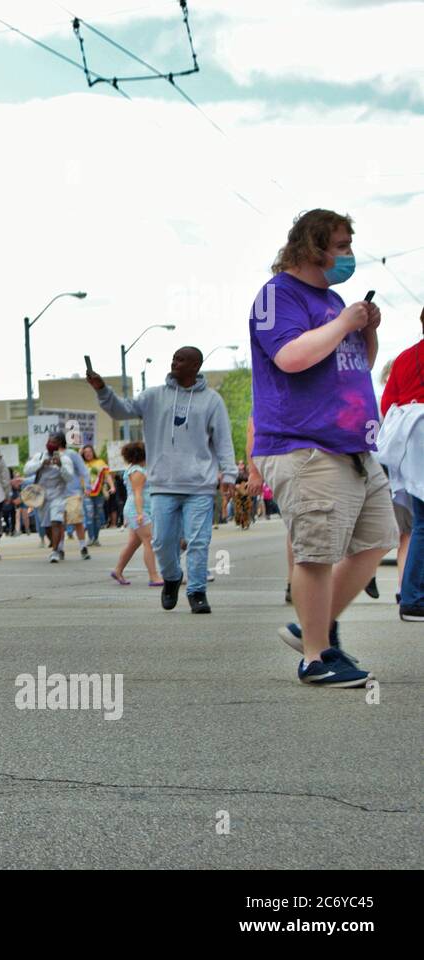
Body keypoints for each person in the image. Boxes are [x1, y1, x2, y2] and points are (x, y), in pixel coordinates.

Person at [248, 208, 393, 686]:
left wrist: (365, 329)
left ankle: (314, 627)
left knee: (377, 540)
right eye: (342, 245)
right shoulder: (278, 296)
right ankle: (315, 656)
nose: (349, 256)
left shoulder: (333, 300)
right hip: (304, 444)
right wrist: (343, 321)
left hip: (351, 445)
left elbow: (358, 365)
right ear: (313, 247)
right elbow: (291, 356)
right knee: (315, 555)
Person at [89, 346, 236, 614]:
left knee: (198, 541)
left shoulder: (212, 401)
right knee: (162, 541)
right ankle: (171, 577)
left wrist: (229, 473)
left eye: (181, 360)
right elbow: (122, 410)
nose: (174, 362)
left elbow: (223, 440)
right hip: (163, 484)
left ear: (195, 366)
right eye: (173, 358)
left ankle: (197, 592)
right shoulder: (154, 396)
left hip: (199, 485)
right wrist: (102, 390)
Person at [380, 307, 424, 621]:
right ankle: (413, 597)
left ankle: (411, 595)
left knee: (420, 521)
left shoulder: (405, 358)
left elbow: (387, 404)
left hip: (409, 435)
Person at [109, 442, 162, 587]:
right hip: (138, 510)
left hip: (140, 509)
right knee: (149, 541)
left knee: (133, 544)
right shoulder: (138, 471)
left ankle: (118, 570)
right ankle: (154, 576)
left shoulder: (138, 469)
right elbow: (138, 494)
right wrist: (140, 514)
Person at [23, 432, 78, 563]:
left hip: (58, 495)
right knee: (46, 525)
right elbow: (27, 470)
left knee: (56, 521)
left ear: (59, 444)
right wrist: (41, 464)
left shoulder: (65, 459)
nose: (50, 444)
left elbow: (69, 478)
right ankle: (57, 546)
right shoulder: (39, 456)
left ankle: (54, 552)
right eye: (49, 441)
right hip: (42, 497)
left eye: (54, 442)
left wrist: (60, 466)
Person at [81, 444, 112, 547]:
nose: (87, 454)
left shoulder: (100, 463)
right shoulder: (81, 464)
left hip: (98, 493)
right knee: (89, 516)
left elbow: (107, 476)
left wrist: (112, 486)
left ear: (93, 452)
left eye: (89, 451)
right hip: (86, 493)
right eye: (85, 452)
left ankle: (96, 538)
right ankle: (91, 538)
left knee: (97, 516)